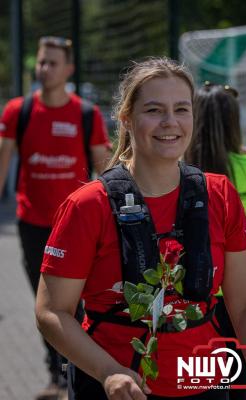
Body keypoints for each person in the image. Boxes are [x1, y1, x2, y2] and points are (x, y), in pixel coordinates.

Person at [35, 57, 246, 400]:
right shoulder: (88, 205)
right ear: (126, 118)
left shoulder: (220, 195)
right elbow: (51, 311)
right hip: (117, 386)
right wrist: (108, 372)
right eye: (154, 110)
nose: (170, 122)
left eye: (181, 109)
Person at [0, 36, 111, 399]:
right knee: (45, 304)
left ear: (68, 69)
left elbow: (105, 168)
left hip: (78, 226)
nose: (43, 69)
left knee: (79, 304)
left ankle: (81, 373)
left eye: (51, 63)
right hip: (32, 224)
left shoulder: (86, 114)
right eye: (41, 62)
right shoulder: (19, 111)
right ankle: (57, 376)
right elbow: (2, 165)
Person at [185, 82, 246, 400]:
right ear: (234, 124)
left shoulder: (180, 173)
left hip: (198, 296)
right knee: (243, 386)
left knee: (207, 387)